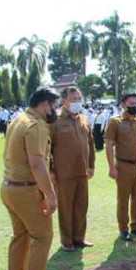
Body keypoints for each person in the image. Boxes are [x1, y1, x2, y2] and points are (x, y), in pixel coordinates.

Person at [1, 87, 64, 270]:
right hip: (27, 190)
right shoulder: (35, 125)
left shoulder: (18, 119)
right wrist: (50, 195)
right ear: (45, 104)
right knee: (42, 236)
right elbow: (37, 164)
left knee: (20, 237)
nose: (55, 111)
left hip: (10, 186)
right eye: (54, 106)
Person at [51, 87, 95, 252]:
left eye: (79, 98)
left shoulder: (83, 119)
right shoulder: (55, 121)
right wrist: (50, 170)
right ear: (64, 101)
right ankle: (67, 241)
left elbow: (90, 143)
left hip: (82, 172)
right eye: (73, 99)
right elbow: (48, 148)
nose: (77, 101)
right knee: (66, 208)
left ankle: (79, 238)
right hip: (64, 173)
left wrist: (91, 165)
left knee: (81, 207)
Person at [104, 93, 136, 241]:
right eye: (131, 103)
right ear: (123, 105)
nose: (135, 105)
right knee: (123, 199)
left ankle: (135, 226)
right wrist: (111, 167)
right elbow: (109, 146)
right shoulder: (115, 122)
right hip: (123, 165)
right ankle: (123, 229)